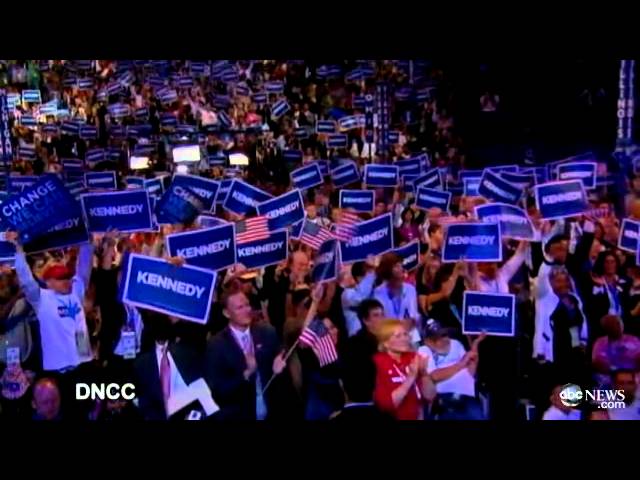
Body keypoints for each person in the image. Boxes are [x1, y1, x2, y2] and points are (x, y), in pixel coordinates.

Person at [205, 290, 287, 420]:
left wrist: (280, 360)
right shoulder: (216, 345)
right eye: (240, 307)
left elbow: (282, 354)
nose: (247, 310)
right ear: (226, 313)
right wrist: (246, 374)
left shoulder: (267, 332)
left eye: (247, 305)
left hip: (273, 412)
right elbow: (217, 390)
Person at [133, 312, 205, 421]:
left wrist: (193, 416)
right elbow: (141, 398)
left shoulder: (187, 354)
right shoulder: (142, 364)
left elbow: (200, 390)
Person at [419, 321, 487, 420]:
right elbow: (435, 376)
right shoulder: (424, 350)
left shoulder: (456, 344)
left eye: (443, 335)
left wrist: (475, 344)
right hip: (443, 398)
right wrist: (461, 364)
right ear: (427, 341)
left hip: (467, 396)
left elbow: (470, 371)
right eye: (435, 338)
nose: (442, 340)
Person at [372, 319, 435, 420]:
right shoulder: (378, 362)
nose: (404, 339)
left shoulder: (413, 357)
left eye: (405, 334)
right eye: (398, 336)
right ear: (385, 343)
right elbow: (388, 405)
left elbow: (430, 396)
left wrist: (424, 374)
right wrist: (411, 377)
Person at [341, 299, 384, 404]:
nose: (382, 319)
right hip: (365, 398)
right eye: (376, 315)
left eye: (382, 315)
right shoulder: (354, 344)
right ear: (365, 320)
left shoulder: (389, 341)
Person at [373, 253, 420, 345]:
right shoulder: (378, 293)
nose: (401, 269)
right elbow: (380, 320)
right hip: (390, 337)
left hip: (410, 335)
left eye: (401, 265)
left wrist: (413, 320)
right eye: (396, 266)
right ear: (387, 270)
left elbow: (414, 314)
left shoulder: (410, 289)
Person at [583, 250, 629, 342]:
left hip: (622, 327)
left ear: (616, 264)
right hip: (602, 329)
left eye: (612, 262)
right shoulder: (595, 283)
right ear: (602, 264)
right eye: (607, 262)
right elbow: (592, 308)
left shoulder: (625, 283)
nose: (610, 265)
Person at [591, 315, 640, 387]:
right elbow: (598, 362)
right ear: (606, 327)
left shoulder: (633, 340)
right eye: (613, 324)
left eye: (619, 323)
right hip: (609, 378)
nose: (618, 326)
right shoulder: (600, 342)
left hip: (633, 376)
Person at [341, 258, 376, 337]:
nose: (373, 277)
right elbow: (361, 298)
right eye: (368, 275)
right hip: (358, 339)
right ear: (359, 277)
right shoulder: (347, 294)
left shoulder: (374, 290)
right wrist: (371, 273)